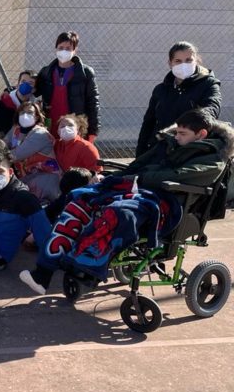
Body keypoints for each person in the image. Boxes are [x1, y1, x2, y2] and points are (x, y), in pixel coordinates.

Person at [20, 109, 234, 295]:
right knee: (80, 197)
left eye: (182, 134)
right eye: (177, 132)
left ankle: (88, 268)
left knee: (118, 212)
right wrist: (111, 179)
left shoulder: (214, 159)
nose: (177, 137)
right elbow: (137, 166)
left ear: (201, 134)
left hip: (167, 203)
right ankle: (44, 273)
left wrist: (142, 176)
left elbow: (177, 176)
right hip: (137, 189)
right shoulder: (167, 143)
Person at [136, 41, 222, 156]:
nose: (183, 65)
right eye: (178, 61)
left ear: (196, 61)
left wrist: (191, 122)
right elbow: (148, 123)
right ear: (170, 63)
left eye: (188, 60)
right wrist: (140, 154)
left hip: (190, 151)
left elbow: (212, 109)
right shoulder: (161, 90)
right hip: (159, 149)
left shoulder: (208, 84)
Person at [35, 31, 99, 141]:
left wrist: (93, 131)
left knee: (70, 154)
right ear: (56, 49)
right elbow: (33, 90)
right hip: (51, 124)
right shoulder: (46, 72)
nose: (64, 51)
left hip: (73, 126)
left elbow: (93, 103)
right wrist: (10, 90)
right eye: (60, 47)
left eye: (68, 48)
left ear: (75, 50)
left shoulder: (85, 73)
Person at [4, 101, 60, 202]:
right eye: (22, 112)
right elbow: (3, 144)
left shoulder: (40, 134)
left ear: (37, 116)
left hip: (45, 179)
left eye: (30, 112)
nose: (25, 115)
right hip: (28, 177)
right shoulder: (16, 129)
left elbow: (16, 155)